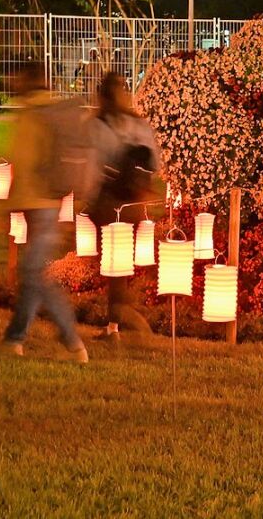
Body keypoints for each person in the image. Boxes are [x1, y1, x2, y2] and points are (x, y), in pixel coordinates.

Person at [2, 63, 88, 362]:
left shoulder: (32, 116)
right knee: (33, 274)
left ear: (27, 80)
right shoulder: (52, 112)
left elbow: (22, 163)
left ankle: (72, 340)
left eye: (16, 76)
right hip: (51, 203)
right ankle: (14, 340)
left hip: (36, 204)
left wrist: (4, 206)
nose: (11, 81)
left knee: (35, 274)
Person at [87, 72, 160, 342]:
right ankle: (114, 325)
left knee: (111, 267)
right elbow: (155, 163)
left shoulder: (98, 126)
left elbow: (92, 168)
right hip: (133, 204)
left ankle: (129, 318)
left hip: (108, 204)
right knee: (119, 267)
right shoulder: (138, 124)